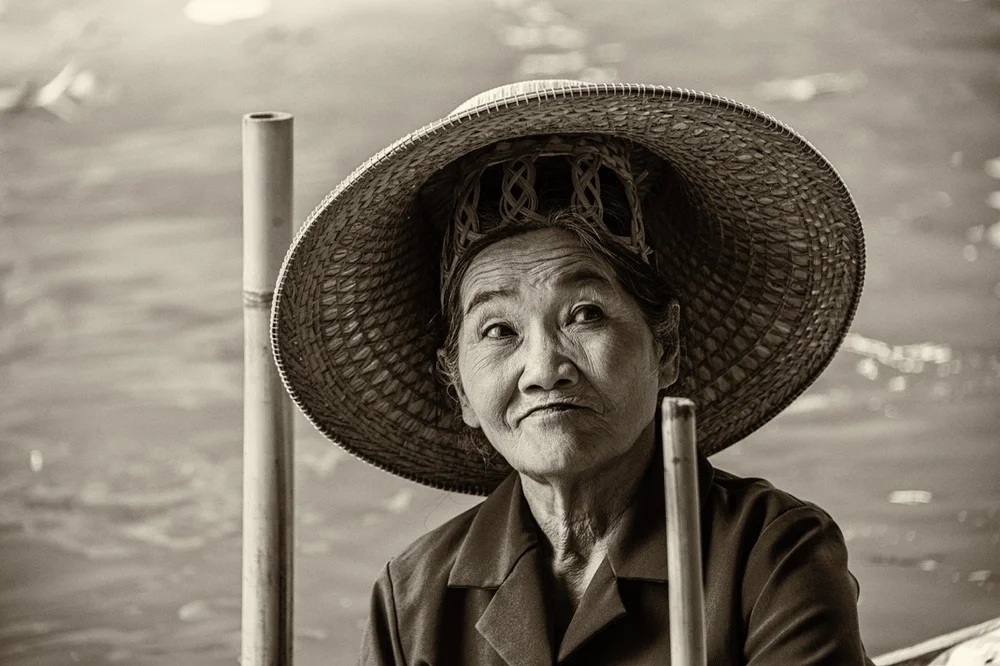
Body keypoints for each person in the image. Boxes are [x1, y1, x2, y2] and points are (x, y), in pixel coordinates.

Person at [271, 80, 876, 665]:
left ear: (664, 346)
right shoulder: (414, 601)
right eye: (498, 330)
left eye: (585, 315)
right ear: (457, 386)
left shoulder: (772, 554)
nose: (543, 370)